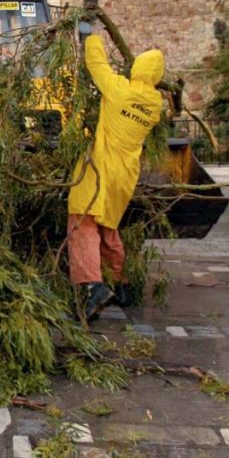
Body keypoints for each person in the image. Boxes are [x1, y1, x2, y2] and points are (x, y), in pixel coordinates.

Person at [67, 22, 164, 322]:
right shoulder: (155, 103)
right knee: (108, 228)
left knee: (81, 225)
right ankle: (119, 285)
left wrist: (90, 37)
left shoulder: (120, 91)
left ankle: (93, 287)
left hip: (100, 170)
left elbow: (97, 66)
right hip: (125, 175)